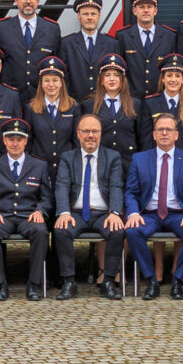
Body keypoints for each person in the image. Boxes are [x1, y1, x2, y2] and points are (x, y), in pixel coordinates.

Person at [125, 112, 183, 299]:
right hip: (150, 214)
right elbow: (131, 192)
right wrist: (133, 213)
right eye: (160, 129)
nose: (164, 133)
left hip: (178, 214)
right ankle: (151, 280)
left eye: (168, 129)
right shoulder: (139, 159)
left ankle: (178, 281)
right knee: (132, 231)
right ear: (153, 134)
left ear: (176, 134)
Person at [52, 112, 128, 300]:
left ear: (101, 134)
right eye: (86, 131)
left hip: (103, 213)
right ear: (78, 134)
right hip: (75, 213)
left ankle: (108, 281)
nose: (90, 135)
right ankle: (69, 282)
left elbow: (117, 186)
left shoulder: (112, 157)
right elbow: (61, 185)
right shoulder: (68, 158)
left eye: (95, 131)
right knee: (61, 230)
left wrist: (115, 212)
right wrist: (63, 212)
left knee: (117, 231)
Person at [0, 117, 55, 301]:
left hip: (28, 216)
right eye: (11, 139)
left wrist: (40, 211)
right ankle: (0, 285)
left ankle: (34, 285)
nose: (15, 143)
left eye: (19, 139)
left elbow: (46, 197)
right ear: (4, 140)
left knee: (41, 231)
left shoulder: (39, 165)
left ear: (26, 141)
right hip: (2, 216)